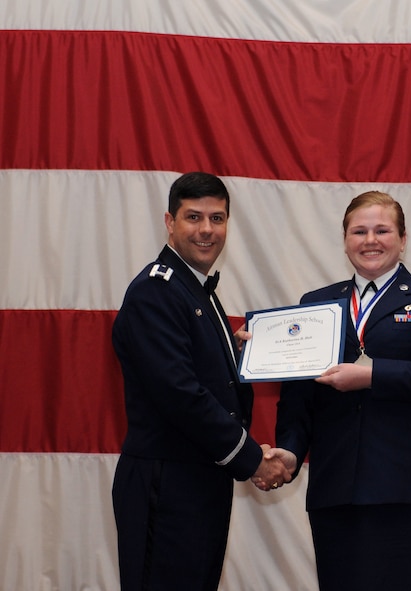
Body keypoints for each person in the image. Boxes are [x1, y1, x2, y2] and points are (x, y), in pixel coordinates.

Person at [269, 191, 411, 590]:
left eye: (382, 230)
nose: (370, 240)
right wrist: (289, 452)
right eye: (359, 231)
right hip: (338, 490)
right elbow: (298, 400)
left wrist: (372, 375)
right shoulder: (315, 305)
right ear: (345, 239)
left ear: (403, 237)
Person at [111, 172, 295, 591]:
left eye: (217, 218)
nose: (207, 230)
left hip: (197, 479)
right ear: (169, 222)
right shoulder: (156, 291)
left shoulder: (193, 289)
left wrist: (236, 356)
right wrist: (252, 459)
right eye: (193, 217)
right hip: (168, 482)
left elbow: (198, 375)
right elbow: (180, 394)